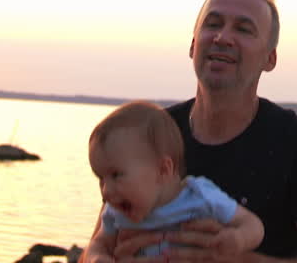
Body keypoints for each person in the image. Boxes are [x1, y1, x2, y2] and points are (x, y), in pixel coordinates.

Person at [83, 0, 297, 263]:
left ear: (270, 58)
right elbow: (98, 244)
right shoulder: (150, 133)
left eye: (243, 29)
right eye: (213, 24)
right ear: (193, 45)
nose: (223, 37)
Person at [84, 100, 265, 263]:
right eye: (100, 179)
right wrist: (97, 258)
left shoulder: (200, 196)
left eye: (116, 175)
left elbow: (253, 225)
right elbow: (99, 244)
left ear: (163, 170)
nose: (106, 191)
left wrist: (238, 239)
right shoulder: (116, 211)